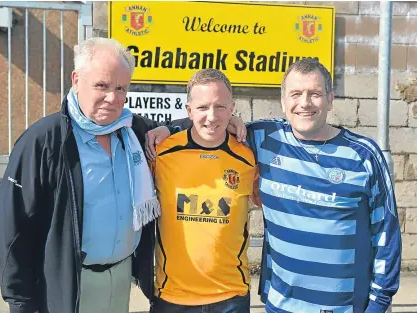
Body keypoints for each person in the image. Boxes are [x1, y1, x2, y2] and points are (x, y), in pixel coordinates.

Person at [146, 59, 402, 313]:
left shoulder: (363, 155)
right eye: (296, 94)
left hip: (346, 306)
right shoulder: (263, 138)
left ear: (330, 98)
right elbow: (208, 127)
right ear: (283, 101)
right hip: (280, 304)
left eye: (315, 94)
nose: (304, 103)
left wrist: (380, 301)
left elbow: (386, 233)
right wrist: (167, 128)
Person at [0, 37, 173, 313]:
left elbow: (196, 124)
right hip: (67, 287)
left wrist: (228, 122)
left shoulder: (134, 130)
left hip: (122, 278)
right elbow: (12, 227)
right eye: (101, 85)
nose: (113, 98)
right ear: (76, 80)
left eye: (121, 88)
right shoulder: (44, 140)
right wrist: (20, 301)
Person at [149, 69, 259, 313]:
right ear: (189, 111)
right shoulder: (162, 152)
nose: (212, 116)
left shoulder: (249, 156)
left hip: (231, 297)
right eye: (202, 108)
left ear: (232, 108)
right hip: (173, 297)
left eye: (220, 107)